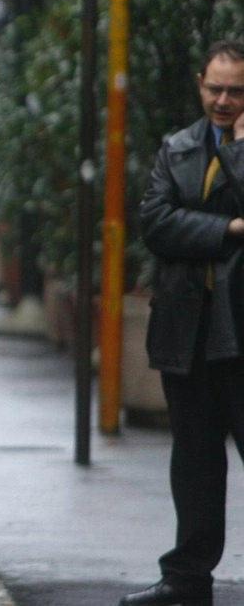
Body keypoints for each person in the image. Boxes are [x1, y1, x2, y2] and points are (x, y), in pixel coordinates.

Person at [123, 41, 244, 606]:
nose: (222, 100)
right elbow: (156, 223)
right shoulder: (178, 147)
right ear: (199, 83)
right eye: (214, 88)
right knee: (193, 461)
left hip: (239, 332)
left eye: (235, 91)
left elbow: (176, 222)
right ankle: (187, 579)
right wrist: (229, 231)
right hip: (188, 331)